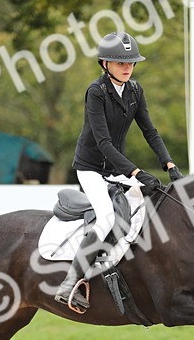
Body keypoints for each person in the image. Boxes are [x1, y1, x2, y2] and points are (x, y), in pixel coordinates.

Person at [54, 31, 183, 312]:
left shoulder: (135, 90)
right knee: (106, 218)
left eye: (131, 63)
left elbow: (150, 130)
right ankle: (70, 282)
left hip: (115, 167)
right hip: (90, 169)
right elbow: (103, 143)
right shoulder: (96, 92)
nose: (127, 67)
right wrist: (136, 173)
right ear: (105, 64)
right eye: (120, 62)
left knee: (158, 202)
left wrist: (168, 164)